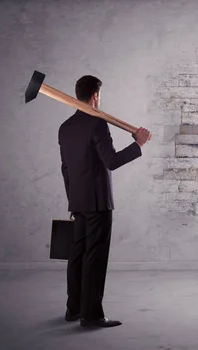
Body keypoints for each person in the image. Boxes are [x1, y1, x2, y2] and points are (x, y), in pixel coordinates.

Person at [58, 75, 150, 328]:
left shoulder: (65, 128)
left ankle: (73, 309)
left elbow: (65, 168)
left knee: (77, 255)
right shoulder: (97, 124)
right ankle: (92, 315)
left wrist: (72, 201)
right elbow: (111, 161)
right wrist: (138, 144)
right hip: (97, 202)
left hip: (77, 201)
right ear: (95, 96)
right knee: (94, 258)